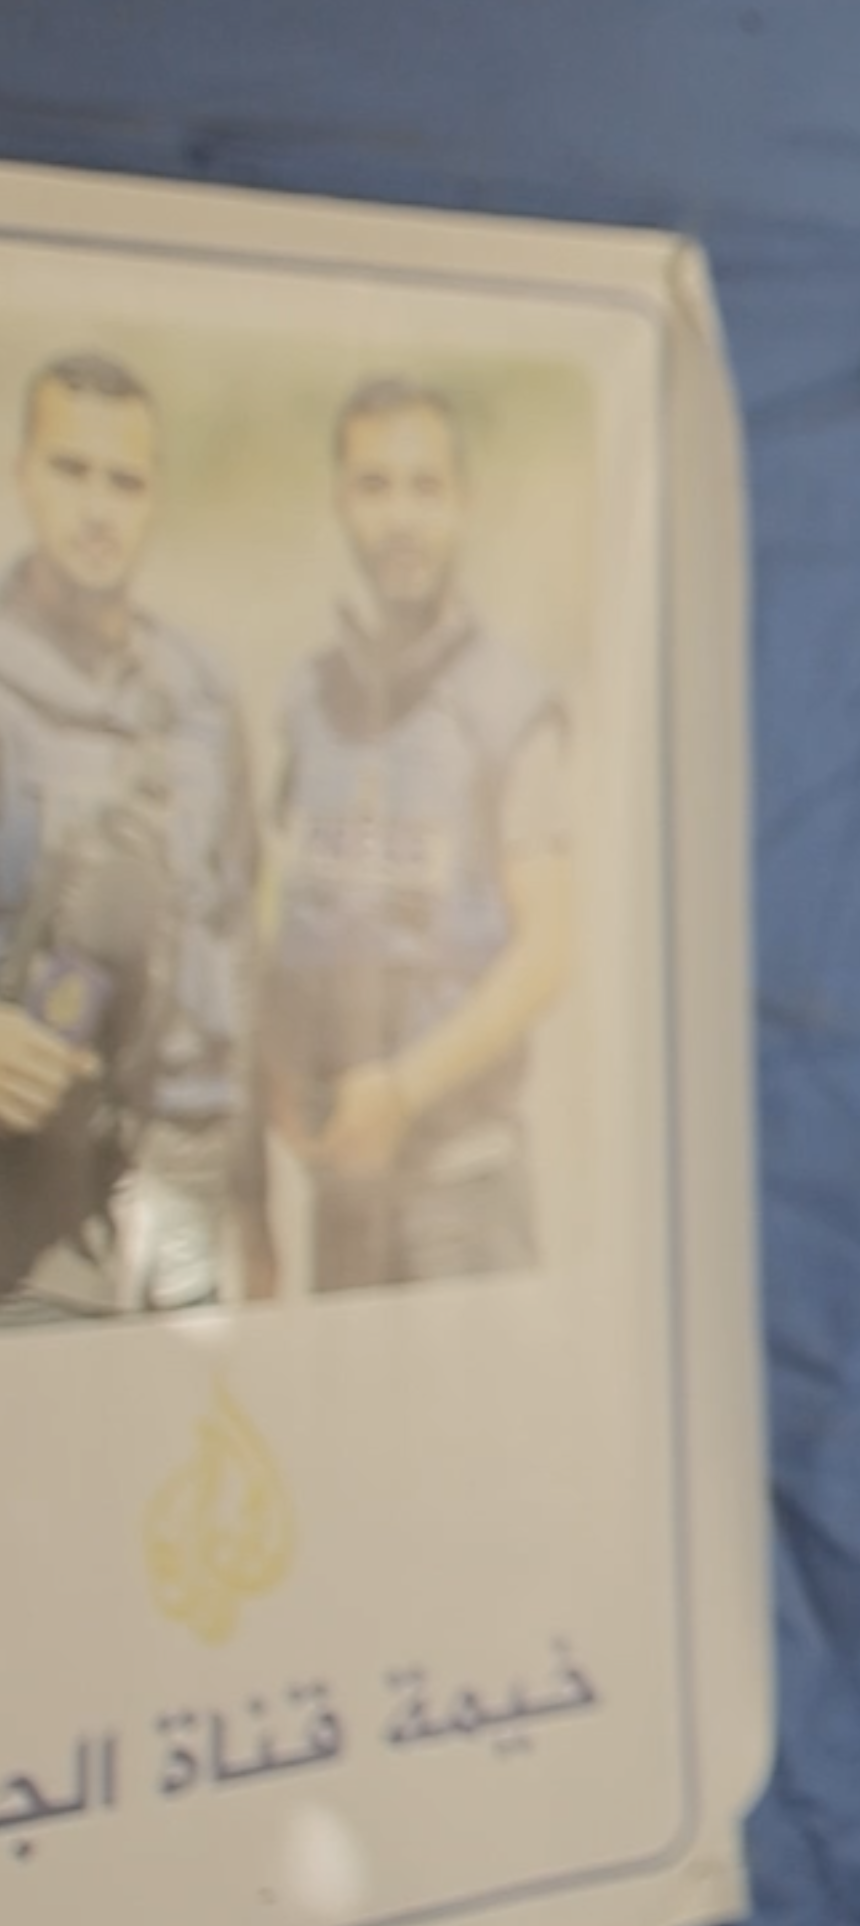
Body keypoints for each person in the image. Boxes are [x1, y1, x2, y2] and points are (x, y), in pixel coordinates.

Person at [253, 375, 571, 1293]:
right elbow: (285, 927)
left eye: (425, 488)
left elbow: (548, 951)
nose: (401, 518)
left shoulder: (509, 704)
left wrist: (405, 1090)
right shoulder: (307, 700)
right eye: (375, 487)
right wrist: (282, 1078)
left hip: (459, 1187)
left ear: (461, 504)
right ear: (340, 501)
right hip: (342, 1188)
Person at [0, 350, 254, 1320]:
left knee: (190, 1451)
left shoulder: (195, 695)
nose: (97, 510)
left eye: (125, 481)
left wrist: (258, 1216)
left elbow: (236, 941)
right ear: (23, 473)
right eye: (71, 471)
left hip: (181, 1181)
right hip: (27, 1201)